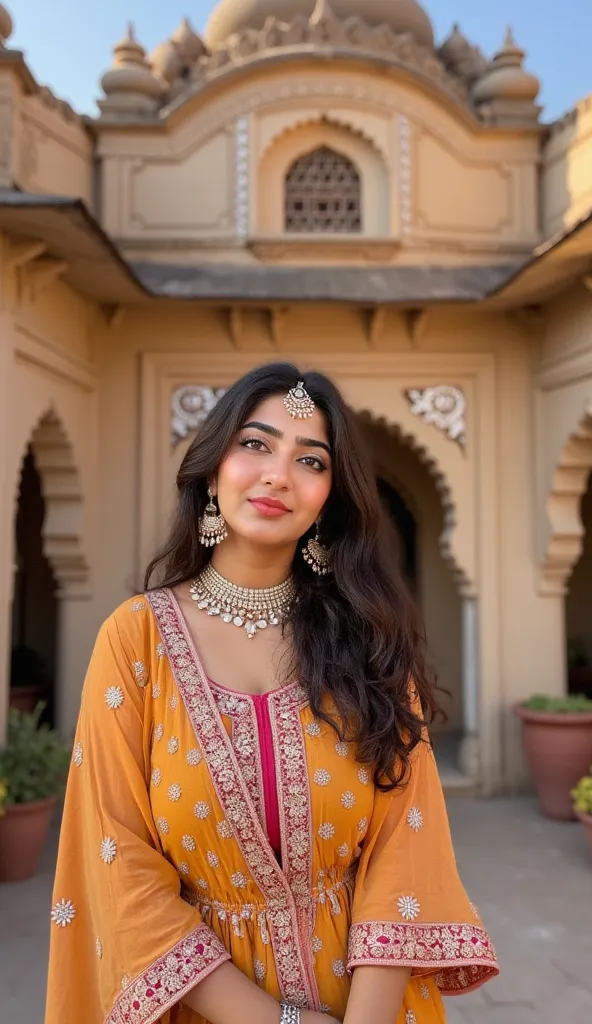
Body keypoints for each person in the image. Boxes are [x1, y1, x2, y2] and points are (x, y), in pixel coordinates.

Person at [46, 363, 498, 1024]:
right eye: (254, 444)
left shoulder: (368, 641)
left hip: (368, 1002)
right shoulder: (135, 642)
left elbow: (407, 846)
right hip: (205, 1007)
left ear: (329, 498)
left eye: (309, 460)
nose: (277, 475)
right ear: (210, 470)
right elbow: (119, 863)